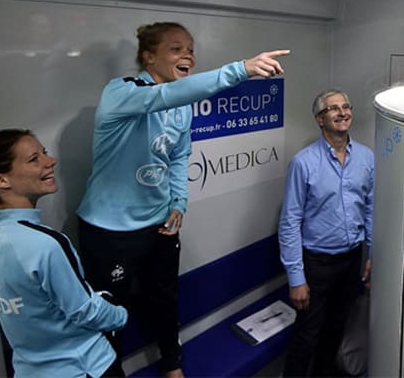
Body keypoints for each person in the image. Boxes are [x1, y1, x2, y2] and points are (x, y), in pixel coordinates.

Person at [77, 21, 288, 378]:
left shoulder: (183, 107)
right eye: (176, 49)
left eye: (190, 49)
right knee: (108, 313)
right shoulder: (121, 91)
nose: (187, 55)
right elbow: (163, 96)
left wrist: (178, 202)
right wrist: (241, 69)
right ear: (149, 57)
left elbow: (178, 156)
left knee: (165, 298)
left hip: (159, 223)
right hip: (110, 231)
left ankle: (172, 365)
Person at [0, 129, 128, 378]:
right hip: (84, 368)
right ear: (1, 180)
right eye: (34, 159)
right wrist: (121, 315)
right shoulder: (46, 244)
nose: (51, 161)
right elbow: (86, 311)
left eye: (44, 153)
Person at [279, 89, 374, 377]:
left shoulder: (366, 158)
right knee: (307, 336)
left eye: (346, 106)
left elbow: (370, 210)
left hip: (352, 260)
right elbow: (290, 222)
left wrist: (373, 255)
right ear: (320, 119)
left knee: (336, 329)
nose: (342, 112)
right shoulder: (303, 162)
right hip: (317, 264)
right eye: (333, 108)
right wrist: (296, 278)